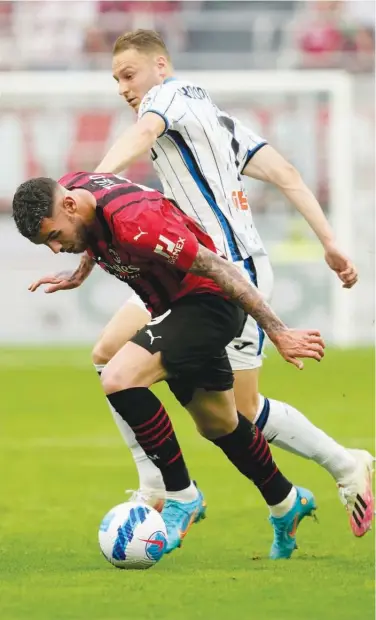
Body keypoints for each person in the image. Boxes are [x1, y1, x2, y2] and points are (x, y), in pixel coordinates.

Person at [29, 30, 373, 537]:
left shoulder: (165, 98)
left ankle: (346, 464)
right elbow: (287, 172)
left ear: (160, 66)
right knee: (108, 354)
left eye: (130, 75)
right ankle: (154, 484)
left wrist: (90, 186)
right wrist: (330, 241)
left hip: (227, 270)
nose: (124, 88)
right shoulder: (218, 122)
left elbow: (144, 132)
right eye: (116, 80)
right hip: (177, 267)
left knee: (240, 411)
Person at [13, 173, 325, 558]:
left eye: (55, 237)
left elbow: (219, 267)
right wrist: (78, 274)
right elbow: (92, 236)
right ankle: (286, 500)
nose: (57, 248)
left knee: (118, 376)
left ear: (70, 206)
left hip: (208, 305)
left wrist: (278, 331)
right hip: (173, 309)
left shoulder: (139, 225)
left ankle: (181, 495)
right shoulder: (75, 191)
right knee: (219, 423)